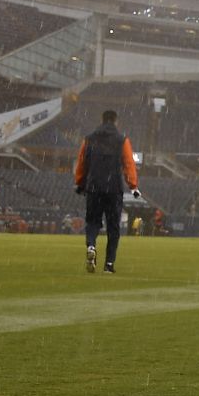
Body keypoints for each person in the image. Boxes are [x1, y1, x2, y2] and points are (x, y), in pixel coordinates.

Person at [75, 109, 140, 274]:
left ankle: (91, 246)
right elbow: (128, 164)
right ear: (116, 121)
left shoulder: (89, 139)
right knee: (113, 227)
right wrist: (133, 185)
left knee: (93, 222)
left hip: (94, 186)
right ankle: (109, 264)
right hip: (113, 188)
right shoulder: (122, 140)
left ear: (102, 120)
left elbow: (82, 162)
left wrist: (80, 183)